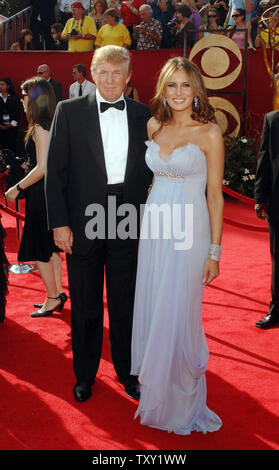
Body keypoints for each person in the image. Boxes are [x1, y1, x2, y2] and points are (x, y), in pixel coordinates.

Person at [45, 45, 153, 403]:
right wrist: (59, 224)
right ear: (91, 74)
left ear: (128, 77)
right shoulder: (69, 111)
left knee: (125, 303)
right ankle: (85, 375)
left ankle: (128, 372)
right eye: (103, 72)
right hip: (83, 221)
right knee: (87, 304)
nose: (109, 80)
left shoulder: (143, 115)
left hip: (128, 220)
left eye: (117, 73)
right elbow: (56, 173)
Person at [131, 56, 224, 434]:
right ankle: (156, 394)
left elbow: (215, 196)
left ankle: (182, 401)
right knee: (155, 304)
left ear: (197, 90)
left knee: (179, 309)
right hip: (155, 225)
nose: (179, 93)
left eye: (186, 85)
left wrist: (214, 252)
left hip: (190, 228)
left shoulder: (209, 133)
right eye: (172, 85)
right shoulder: (154, 125)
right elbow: (151, 182)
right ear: (163, 90)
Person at [5, 77, 67, 318]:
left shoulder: (40, 126)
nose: (20, 100)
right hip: (48, 192)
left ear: (33, 99)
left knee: (40, 249)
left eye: (23, 96)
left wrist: (17, 188)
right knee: (50, 249)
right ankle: (58, 293)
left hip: (40, 194)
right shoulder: (50, 122)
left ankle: (52, 298)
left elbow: (42, 167)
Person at [254, 111, 279, 329]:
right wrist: (260, 198)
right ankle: (276, 310)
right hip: (278, 201)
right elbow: (263, 160)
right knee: (278, 258)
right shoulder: (272, 120)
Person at [0, 78, 22, 155]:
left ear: (8, 86)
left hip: (12, 129)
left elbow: (18, 111)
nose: (0, 86)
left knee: (12, 149)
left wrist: (12, 124)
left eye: (3, 84)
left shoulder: (14, 98)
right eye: (0, 84)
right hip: (0, 129)